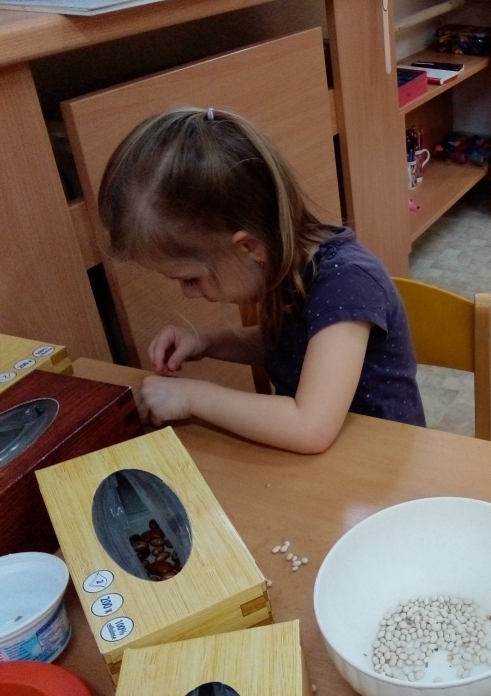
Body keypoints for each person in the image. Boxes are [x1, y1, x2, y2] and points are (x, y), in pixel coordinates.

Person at [98, 107, 425, 453]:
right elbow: (291, 344)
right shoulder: (284, 266)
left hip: (383, 461)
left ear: (249, 247)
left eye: (191, 279)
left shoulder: (347, 284)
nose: (188, 293)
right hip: (330, 459)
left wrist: (192, 396)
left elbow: (309, 427)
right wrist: (206, 343)